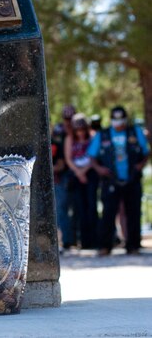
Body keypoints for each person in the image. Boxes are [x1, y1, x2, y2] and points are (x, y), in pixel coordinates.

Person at [87, 106, 149, 255]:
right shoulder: (103, 135)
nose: (118, 122)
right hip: (110, 179)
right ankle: (105, 246)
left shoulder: (135, 132)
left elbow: (146, 152)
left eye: (120, 118)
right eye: (115, 118)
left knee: (133, 212)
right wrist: (99, 168)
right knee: (108, 213)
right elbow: (92, 155)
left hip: (132, 178)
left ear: (125, 119)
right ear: (111, 119)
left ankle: (133, 246)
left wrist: (140, 165)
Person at [64, 113, 98, 249]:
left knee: (92, 206)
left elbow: (94, 156)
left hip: (91, 173)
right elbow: (68, 158)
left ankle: (96, 240)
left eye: (82, 129)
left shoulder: (94, 136)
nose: (80, 132)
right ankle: (84, 241)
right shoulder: (69, 139)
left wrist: (85, 171)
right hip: (76, 176)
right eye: (77, 130)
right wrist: (78, 172)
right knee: (80, 208)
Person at [51, 124, 73, 250]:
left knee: (61, 211)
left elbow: (61, 164)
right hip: (42, 185)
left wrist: (47, 171)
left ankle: (66, 241)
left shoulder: (56, 145)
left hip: (58, 181)